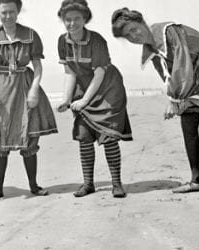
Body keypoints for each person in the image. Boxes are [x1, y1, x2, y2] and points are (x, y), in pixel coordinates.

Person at [111, 8, 199, 198]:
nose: (134, 36)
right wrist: (173, 100)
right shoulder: (150, 51)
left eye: (134, 29)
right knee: (188, 122)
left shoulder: (168, 31)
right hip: (191, 73)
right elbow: (168, 76)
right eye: (128, 36)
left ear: (142, 21)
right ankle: (197, 180)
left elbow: (182, 65)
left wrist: (176, 101)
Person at [0, 0, 58, 201]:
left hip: (25, 85)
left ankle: (33, 185)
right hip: (0, 89)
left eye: (11, 12)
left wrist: (34, 91)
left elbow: (38, 66)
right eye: (4, 12)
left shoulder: (30, 35)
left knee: (29, 136)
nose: (8, 16)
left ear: (18, 11)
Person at [56, 0, 132, 198]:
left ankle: (116, 183)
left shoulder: (96, 40)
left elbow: (99, 73)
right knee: (84, 136)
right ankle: (88, 184)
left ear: (85, 19)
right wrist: (66, 99)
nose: (72, 23)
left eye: (77, 19)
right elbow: (69, 72)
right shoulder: (62, 41)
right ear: (63, 20)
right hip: (83, 90)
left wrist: (84, 101)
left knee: (108, 137)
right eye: (68, 19)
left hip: (108, 90)